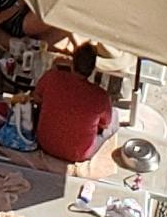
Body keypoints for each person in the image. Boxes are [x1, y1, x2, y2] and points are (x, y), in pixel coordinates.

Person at [32, 41, 118, 169]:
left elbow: (36, 98)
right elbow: (104, 124)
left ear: (72, 62)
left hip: (45, 142)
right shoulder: (101, 96)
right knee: (115, 116)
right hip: (79, 153)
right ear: (92, 68)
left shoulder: (52, 77)